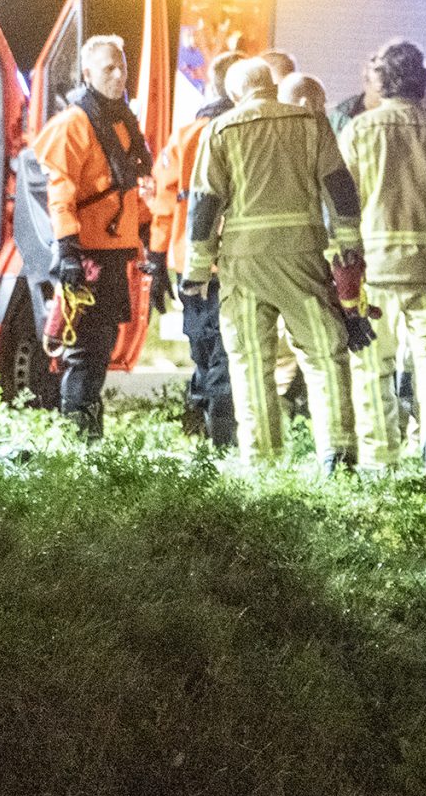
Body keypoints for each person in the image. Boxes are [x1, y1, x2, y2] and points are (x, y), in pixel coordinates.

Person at [184, 56, 363, 470]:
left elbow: (205, 206)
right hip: (302, 257)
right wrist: (348, 247)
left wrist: (196, 271)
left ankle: (263, 460)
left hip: (243, 264)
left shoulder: (221, 129)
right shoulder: (309, 123)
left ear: (234, 94)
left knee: (250, 361)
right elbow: (339, 185)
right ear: (270, 83)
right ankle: (337, 453)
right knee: (324, 354)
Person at [339, 40, 426, 474]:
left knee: (372, 365)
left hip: (375, 270)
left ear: (380, 82)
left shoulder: (358, 130)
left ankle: (379, 458)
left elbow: (343, 207)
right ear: (422, 82)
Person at [31, 35, 156, 438]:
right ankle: (77, 440)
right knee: (84, 353)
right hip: (87, 256)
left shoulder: (121, 121)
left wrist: (152, 242)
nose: (119, 75)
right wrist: (67, 250)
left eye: (122, 66)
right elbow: (60, 192)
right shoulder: (74, 123)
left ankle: (88, 437)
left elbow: (130, 191)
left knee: (100, 350)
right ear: (87, 73)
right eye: (108, 68)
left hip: (115, 253)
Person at [152, 50, 242, 446]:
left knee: (203, 344)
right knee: (226, 347)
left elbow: (163, 199)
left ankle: (202, 423)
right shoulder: (242, 130)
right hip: (233, 257)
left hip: (187, 259)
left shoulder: (186, 135)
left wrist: (156, 256)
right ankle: (220, 433)